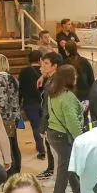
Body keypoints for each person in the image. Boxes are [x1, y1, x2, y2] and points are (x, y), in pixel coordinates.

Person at [45, 65, 84, 193]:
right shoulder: (67, 97)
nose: (76, 78)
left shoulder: (53, 92)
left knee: (68, 165)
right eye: (74, 75)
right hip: (63, 136)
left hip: (53, 133)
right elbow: (72, 122)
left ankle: (78, 191)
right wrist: (81, 139)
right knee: (64, 170)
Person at [0, 52, 22, 174]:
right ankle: (15, 173)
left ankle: (11, 175)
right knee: (12, 145)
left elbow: (0, 102)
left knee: (8, 148)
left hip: (4, 119)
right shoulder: (10, 78)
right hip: (11, 118)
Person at [36, 51, 63, 180]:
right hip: (54, 122)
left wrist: (43, 126)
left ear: (55, 66)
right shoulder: (52, 80)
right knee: (55, 153)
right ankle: (56, 176)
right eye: (43, 64)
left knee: (57, 153)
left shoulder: (54, 82)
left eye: (46, 64)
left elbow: (48, 107)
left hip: (54, 123)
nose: (43, 66)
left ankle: (59, 178)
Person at [18, 50, 45, 160]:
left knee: (35, 126)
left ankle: (41, 149)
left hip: (29, 102)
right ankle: (46, 147)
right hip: (43, 102)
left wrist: (19, 102)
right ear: (40, 60)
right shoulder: (43, 72)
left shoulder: (23, 72)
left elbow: (20, 88)